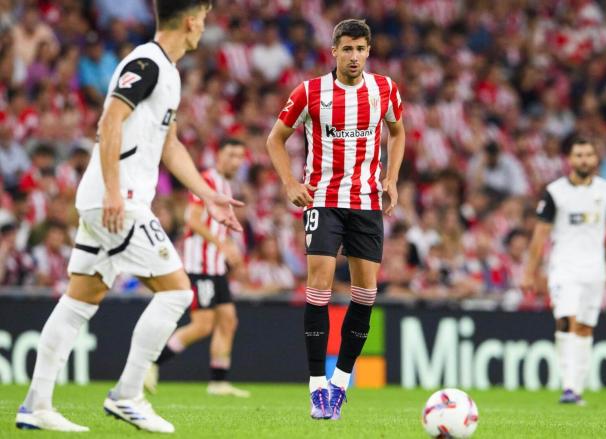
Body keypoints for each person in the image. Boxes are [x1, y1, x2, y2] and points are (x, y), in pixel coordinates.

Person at [16, 0, 243, 433]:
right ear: (192, 19)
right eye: (205, 18)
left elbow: (170, 145)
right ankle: (127, 395)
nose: (206, 27)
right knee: (178, 292)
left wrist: (208, 195)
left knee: (79, 300)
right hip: (118, 200)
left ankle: (36, 404)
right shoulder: (146, 62)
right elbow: (110, 120)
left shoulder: (170, 73)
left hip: (109, 198)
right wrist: (116, 192)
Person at [266, 19, 405, 420]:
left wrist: (391, 178)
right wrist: (290, 180)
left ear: (369, 51)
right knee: (320, 286)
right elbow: (275, 138)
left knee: (365, 293)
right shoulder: (310, 92)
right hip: (323, 200)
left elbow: (398, 133)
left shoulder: (384, 89)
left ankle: (340, 383)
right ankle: (315, 388)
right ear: (334, 51)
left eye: (361, 49)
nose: (355, 56)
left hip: (365, 202)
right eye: (347, 49)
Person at [521, 138, 606, 405]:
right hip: (563, 267)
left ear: (595, 159)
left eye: (588, 154)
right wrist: (529, 272)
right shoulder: (555, 192)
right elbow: (540, 234)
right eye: (579, 155)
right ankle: (568, 386)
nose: (584, 160)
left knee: (584, 327)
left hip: (595, 270)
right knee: (566, 320)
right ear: (569, 159)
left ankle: (576, 388)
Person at [145, 138, 250, 398]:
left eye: (240, 156)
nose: (235, 161)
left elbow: (213, 224)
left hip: (216, 268)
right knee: (203, 325)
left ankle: (218, 382)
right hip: (199, 266)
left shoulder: (225, 184)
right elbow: (190, 219)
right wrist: (222, 245)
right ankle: (151, 362)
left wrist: (227, 245)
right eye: (231, 154)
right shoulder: (205, 180)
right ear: (218, 156)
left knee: (228, 320)